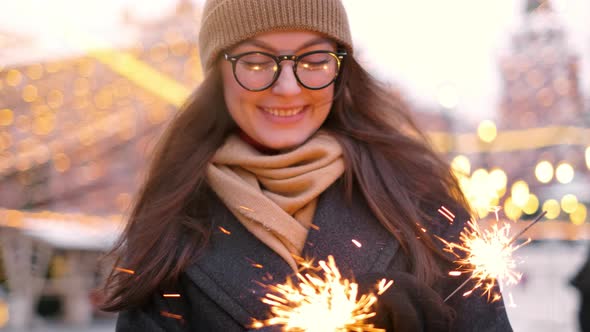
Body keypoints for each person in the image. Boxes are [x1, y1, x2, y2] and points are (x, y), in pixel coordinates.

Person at [101, 0, 513, 331]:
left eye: (314, 60)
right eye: (257, 62)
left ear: (340, 70)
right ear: (218, 72)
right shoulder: (171, 224)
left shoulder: (421, 202)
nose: (287, 87)